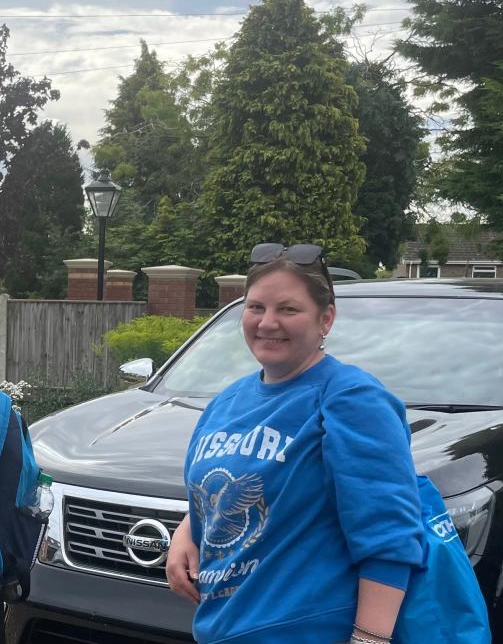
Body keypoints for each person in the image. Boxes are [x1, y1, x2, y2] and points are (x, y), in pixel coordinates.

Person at [166, 243, 424, 644]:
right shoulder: (226, 403)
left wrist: (369, 640)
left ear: (326, 319)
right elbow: (232, 483)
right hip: (219, 628)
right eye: (255, 308)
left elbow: (388, 536)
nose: (268, 323)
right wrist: (188, 530)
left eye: (288, 309)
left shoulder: (351, 398)